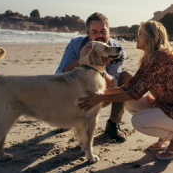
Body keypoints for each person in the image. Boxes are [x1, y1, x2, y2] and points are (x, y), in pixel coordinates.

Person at [78, 20, 173, 160]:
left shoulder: (160, 57)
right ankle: (164, 137)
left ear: (150, 37)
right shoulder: (150, 58)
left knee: (138, 121)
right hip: (167, 106)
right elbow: (129, 87)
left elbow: (134, 93)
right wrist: (99, 93)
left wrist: (100, 98)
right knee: (130, 104)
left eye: (140, 34)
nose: (136, 37)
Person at [55, 12, 132, 142]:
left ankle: (113, 124)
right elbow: (60, 73)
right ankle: (68, 118)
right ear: (87, 32)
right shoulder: (75, 44)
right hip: (76, 94)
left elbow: (114, 83)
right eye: (94, 31)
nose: (99, 35)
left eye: (103, 31)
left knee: (126, 77)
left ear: (109, 31)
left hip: (102, 94)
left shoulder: (116, 50)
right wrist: (82, 59)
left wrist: (102, 70)